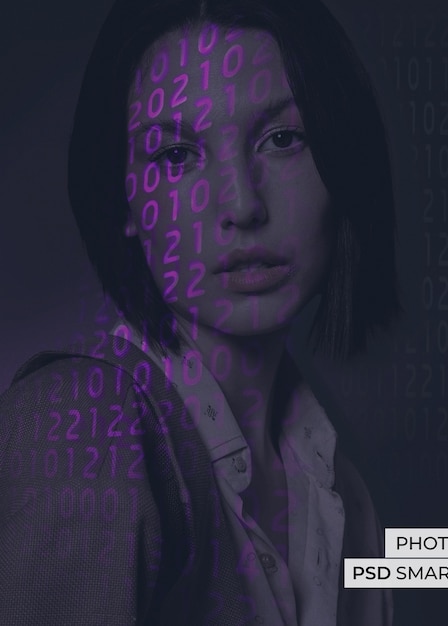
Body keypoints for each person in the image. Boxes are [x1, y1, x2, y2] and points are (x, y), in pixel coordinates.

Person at [0, 0, 400, 623]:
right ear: (123, 200)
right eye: (177, 156)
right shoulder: (80, 426)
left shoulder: (341, 489)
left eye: (284, 139)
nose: (241, 205)